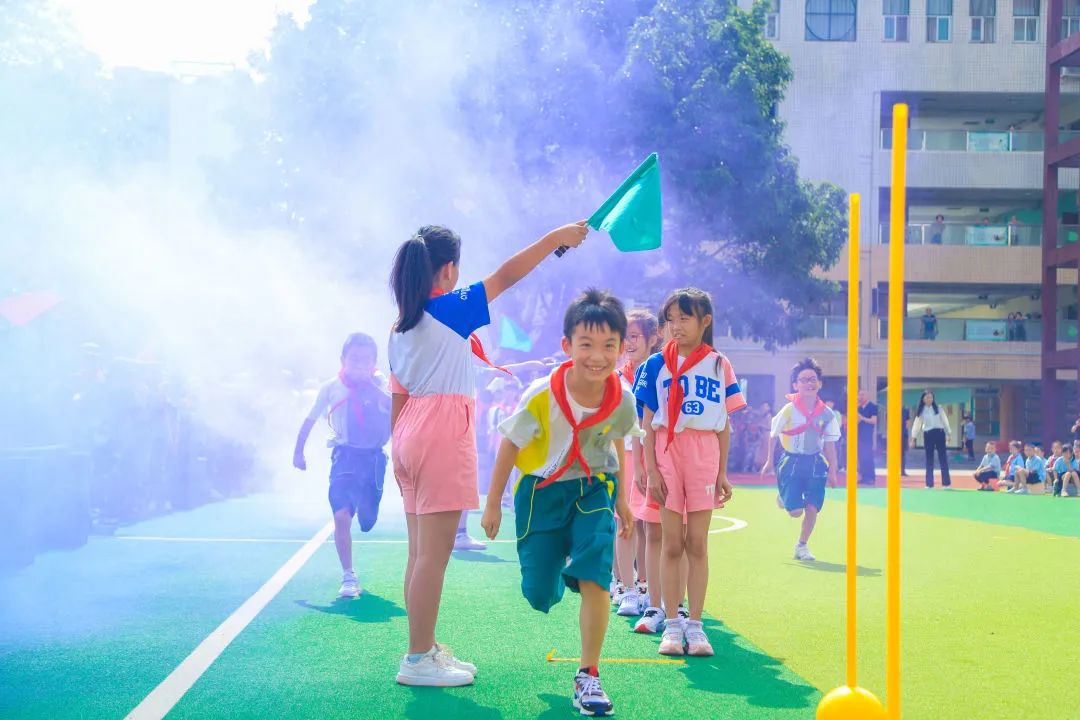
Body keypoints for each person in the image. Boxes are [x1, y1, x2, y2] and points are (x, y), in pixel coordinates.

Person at [389, 221, 588, 687]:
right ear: (449, 270)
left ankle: (423, 648)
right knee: (431, 558)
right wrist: (553, 236)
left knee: (420, 554)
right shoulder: (450, 308)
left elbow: (398, 398)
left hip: (409, 433)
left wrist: (396, 452)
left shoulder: (400, 325)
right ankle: (417, 658)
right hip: (439, 432)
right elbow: (507, 274)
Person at [482, 288, 639, 717]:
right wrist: (493, 502)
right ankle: (552, 577)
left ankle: (589, 674)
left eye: (610, 346)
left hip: (593, 489)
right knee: (538, 592)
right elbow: (510, 445)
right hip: (542, 492)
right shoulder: (541, 393)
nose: (598, 356)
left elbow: (620, 443)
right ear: (567, 346)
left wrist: (622, 498)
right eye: (586, 344)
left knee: (595, 574)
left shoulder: (621, 398)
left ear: (622, 348)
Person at [637, 288, 745, 657]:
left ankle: (695, 627)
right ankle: (671, 624)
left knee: (697, 543)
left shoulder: (718, 364)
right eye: (671, 319)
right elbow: (647, 423)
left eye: (685, 318)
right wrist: (650, 469)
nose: (676, 326)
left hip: (704, 452)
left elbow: (724, 424)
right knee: (671, 542)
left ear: (705, 322)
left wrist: (722, 473)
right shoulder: (655, 365)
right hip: (668, 450)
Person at [293, 333, 390, 598]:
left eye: (365, 360)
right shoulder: (331, 387)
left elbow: (395, 410)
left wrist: (369, 385)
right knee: (341, 515)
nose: (359, 365)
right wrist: (298, 451)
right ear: (343, 360)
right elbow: (310, 419)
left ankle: (366, 507)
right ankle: (348, 575)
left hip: (373, 459)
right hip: (344, 456)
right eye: (354, 359)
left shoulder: (381, 383)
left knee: (367, 520)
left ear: (374, 362)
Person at [761, 358, 840, 563]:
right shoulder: (788, 409)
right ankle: (786, 497)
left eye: (812, 379)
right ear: (795, 385)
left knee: (813, 506)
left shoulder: (827, 414)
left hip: (815, 463)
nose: (809, 383)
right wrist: (769, 462)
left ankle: (802, 545)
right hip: (791, 462)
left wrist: (833, 471)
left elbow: (830, 443)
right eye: (803, 380)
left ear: (819, 383)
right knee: (796, 512)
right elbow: (773, 435)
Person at [611, 308, 661, 618]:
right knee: (623, 521)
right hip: (621, 455)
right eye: (624, 336)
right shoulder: (616, 376)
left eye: (634, 336)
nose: (628, 342)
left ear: (653, 339)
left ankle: (643, 585)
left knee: (646, 525)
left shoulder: (659, 373)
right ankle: (624, 586)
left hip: (650, 455)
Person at [911, 390, 951, 488]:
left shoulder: (939, 408)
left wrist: (949, 433)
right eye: (927, 397)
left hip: (940, 433)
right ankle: (929, 484)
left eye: (931, 397)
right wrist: (913, 438)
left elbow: (945, 420)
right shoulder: (921, 411)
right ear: (923, 399)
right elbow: (917, 425)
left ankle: (946, 484)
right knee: (929, 459)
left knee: (943, 458)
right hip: (928, 435)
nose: (929, 399)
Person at [856, 390, 878, 486]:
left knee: (868, 456)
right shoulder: (858, 407)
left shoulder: (872, 407)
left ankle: (871, 477)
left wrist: (862, 418)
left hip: (867, 435)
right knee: (861, 457)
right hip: (859, 435)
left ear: (867, 396)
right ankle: (864, 477)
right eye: (859, 395)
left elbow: (874, 421)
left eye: (862, 395)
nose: (860, 397)